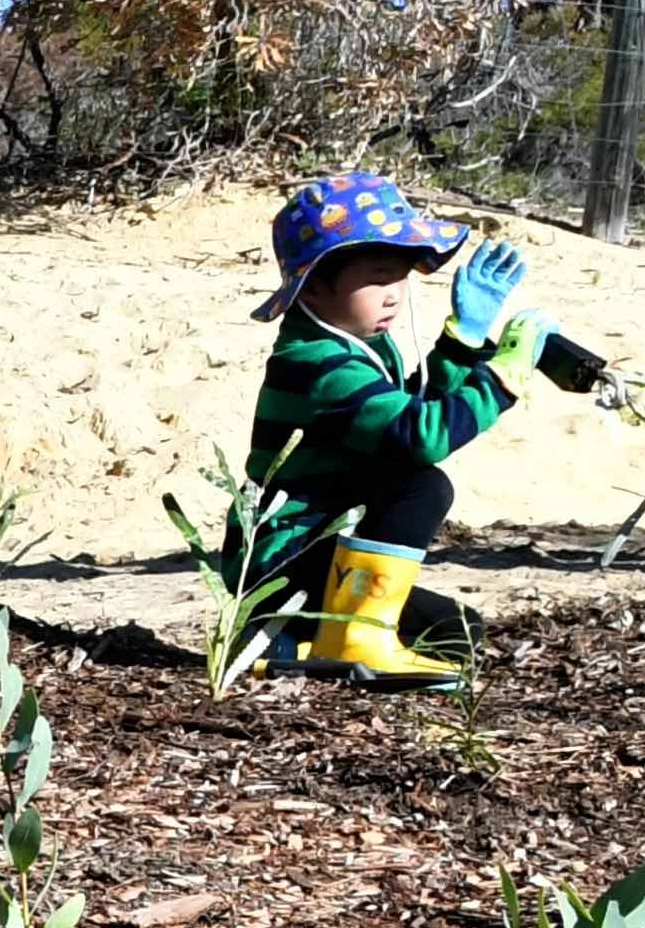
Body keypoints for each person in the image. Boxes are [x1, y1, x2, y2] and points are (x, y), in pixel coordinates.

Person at [230, 173, 553, 687]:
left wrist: (463, 340)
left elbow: (403, 414)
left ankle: (303, 639)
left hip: (329, 554)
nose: (393, 296)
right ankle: (340, 634)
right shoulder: (314, 362)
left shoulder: (356, 344)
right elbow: (419, 437)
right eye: (378, 278)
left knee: (459, 634)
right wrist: (502, 378)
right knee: (421, 484)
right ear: (313, 283)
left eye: (402, 278)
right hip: (287, 559)